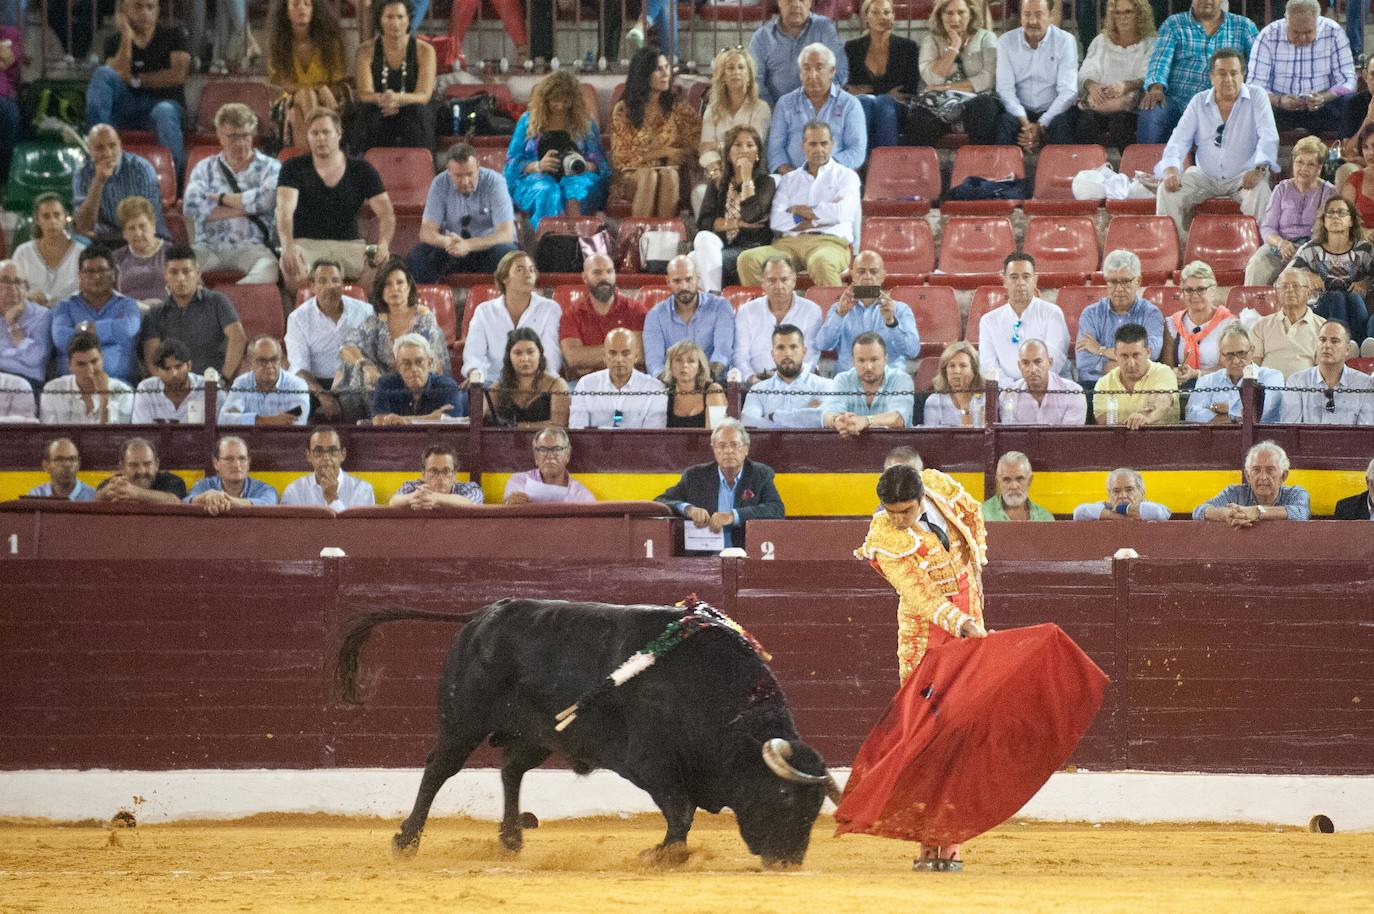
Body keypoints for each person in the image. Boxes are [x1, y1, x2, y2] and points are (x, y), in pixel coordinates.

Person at [837, 462, 988, 871]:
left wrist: (972, 597)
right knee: (923, 738)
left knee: (959, 735)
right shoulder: (883, 536)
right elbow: (920, 596)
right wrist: (964, 623)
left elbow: (972, 527)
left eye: (905, 511)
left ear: (921, 498)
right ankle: (926, 837)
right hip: (927, 639)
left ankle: (951, 837)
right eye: (891, 511)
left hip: (968, 623)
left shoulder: (940, 488)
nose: (898, 520)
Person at [1156, 48, 1278, 242]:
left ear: (1243, 75)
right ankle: (1177, 250)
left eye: (1234, 73)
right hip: (1204, 176)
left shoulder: (1257, 96)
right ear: (1212, 77)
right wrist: (1170, 169)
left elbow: (1269, 137)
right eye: (1221, 73)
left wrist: (1260, 168)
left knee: (1261, 191)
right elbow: (1178, 140)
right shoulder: (1198, 101)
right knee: (1166, 191)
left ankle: (1258, 251)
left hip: (1244, 175)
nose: (1228, 79)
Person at [276, 108, 394, 289]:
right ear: (307, 136)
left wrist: (383, 243)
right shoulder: (293, 167)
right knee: (288, 262)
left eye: (326, 132)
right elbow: (284, 211)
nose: (320, 138)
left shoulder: (362, 169)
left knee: (382, 263)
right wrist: (287, 244)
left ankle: (357, 311)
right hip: (307, 245)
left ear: (338, 134)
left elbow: (386, 213)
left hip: (349, 245)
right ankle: (305, 312)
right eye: (314, 133)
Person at [737, 121, 860, 289]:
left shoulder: (846, 176)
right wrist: (822, 214)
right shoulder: (789, 179)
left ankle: (837, 313)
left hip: (830, 243)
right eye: (812, 144)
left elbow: (841, 213)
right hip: (789, 245)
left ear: (832, 144)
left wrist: (801, 212)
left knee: (821, 262)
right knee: (748, 259)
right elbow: (778, 221)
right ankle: (769, 310)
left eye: (824, 143)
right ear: (803, 146)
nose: (819, 149)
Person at [84, 0, 189, 177]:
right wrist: (126, 36)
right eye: (138, 6)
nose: (145, 13)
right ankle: (96, 152)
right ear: (124, 10)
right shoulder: (114, 40)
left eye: (150, 7)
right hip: (128, 107)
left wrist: (136, 80)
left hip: (165, 103)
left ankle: (176, 184)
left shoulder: (174, 34)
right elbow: (117, 73)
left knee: (164, 111)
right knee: (102, 73)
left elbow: (177, 75)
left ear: (157, 10)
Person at [337, 258, 449, 421]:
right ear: (381, 290)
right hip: (384, 385)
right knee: (353, 372)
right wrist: (365, 365)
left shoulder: (424, 318)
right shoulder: (376, 320)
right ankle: (371, 427)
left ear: (409, 287)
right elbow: (347, 347)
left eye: (399, 283)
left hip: (418, 382)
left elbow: (436, 364)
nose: (394, 289)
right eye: (388, 284)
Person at [183, 102, 282, 286]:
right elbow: (192, 207)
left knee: (269, 267)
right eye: (232, 137)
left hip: (252, 246)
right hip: (208, 246)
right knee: (179, 271)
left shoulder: (270, 167)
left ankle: (231, 299)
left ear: (252, 134)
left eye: (245, 135)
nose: (240, 143)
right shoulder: (205, 167)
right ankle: (206, 305)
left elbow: (268, 200)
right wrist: (250, 208)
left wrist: (219, 200)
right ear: (220, 136)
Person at [1137, 0, 1257, 145]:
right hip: (1178, 102)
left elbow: (1258, 67)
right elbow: (1160, 60)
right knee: (1152, 109)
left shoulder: (1244, 27)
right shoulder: (1174, 24)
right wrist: (1156, 88)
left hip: (1226, 103)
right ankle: (1144, 165)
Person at [654, 418, 784, 550]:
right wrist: (688, 509)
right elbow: (661, 501)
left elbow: (776, 509)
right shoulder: (695, 476)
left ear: (746, 448)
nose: (728, 451)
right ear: (714, 449)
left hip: (744, 555)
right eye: (722, 445)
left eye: (734, 444)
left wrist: (734, 516)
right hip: (703, 559)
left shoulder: (760, 474)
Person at [504, 70, 609, 231]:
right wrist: (538, 165)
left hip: (578, 176)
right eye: (555, 101)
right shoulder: (528, 120)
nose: (560, 106)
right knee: (547, 191)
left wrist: (584, 165)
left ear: (573, 101)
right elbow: (512, 161)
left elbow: (600, 162)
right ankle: (549, 245)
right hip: (536, 177)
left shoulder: (586, 122)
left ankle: (575, 244)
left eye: (565, 101)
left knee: (574, 190)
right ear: (545, 99)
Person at [609, 49, 701, 218]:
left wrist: (680, 154)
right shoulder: (624, 109)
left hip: (669, 171)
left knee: (669, 175)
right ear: (643, 73)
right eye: (659, 69)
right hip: (633, 176)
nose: (666, 73)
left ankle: (664, 240)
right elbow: (622, 157)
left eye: (667, 67)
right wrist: (664, 151)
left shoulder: (677, 106)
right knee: (649, 177)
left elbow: (696, 140)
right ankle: (638, 239)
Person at [408, 143, 520, 283]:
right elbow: (426, 232)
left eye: (470, 174)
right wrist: (447, 241)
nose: (465, 181)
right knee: (418, 255)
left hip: (486, 247)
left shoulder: (495, 182)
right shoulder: (439, 183)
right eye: (458, 176)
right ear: (449, 171)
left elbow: (506, 234)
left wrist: (468, 245)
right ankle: (426, 300)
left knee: (506, 253)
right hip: (452, 248)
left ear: (478, 166)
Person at [1248, 0, 1355, 137]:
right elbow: (1255, 86)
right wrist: (1279, 100)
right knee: (1253, 106)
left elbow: (1348, 81)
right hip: (1280, 109)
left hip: (1322, 106)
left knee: (1350, 102)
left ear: (1317, 21)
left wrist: (1324, 97)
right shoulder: (1268, 35)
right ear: (1287, 20)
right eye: (1296, 32)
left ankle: (1345, 154)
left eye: (1308, 32)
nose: (1302, 37)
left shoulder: (1333, 32)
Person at [138, 245, 247, 379]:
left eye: (186, 271)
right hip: (173, 388)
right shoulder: (155, 314)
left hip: (213, 385)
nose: (181, 278)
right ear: (165, 275)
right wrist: (169, 387)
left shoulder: (217, 301)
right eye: (174, 272)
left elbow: (237, 338)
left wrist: (223, 380)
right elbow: (152, 358)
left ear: (198, 272)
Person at [692, 125, 776, 292]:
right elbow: (705, 222)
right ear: (728, 154)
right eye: (737, 145)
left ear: (758, 153)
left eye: (750, 145)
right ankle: (714, 294)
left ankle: (711, 295)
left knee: (693, 261)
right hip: (719, 245)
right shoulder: (719, 184)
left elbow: (750, 215)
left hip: (751, 247)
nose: (744, 150)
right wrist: (737, 223)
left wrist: (746, 179)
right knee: (702, 239)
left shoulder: (766, 182)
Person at [285, 259, 371, 421]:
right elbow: (299, 367)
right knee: (294, 399)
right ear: (312, 285)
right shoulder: (298, 318)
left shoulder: (364, 311)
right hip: (314, 381)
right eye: (322, 281)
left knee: (360, 397)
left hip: (353, 381)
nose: (330, 286)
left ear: (342, 284)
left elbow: (373, 355)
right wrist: (322, 395)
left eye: (335, 280)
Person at [1243, 136, 1334, 287]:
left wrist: (1302, 251)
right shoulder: (1282, 188)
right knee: (1255, 265)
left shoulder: (1328, 192)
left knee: (1290, 280)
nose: (1303, 169)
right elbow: (1267, 227)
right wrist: (1281, 244)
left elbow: (1328, 232)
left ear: (1319, 168)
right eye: (1299, 162)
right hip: (1279, 246)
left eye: (1310, 164)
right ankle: (1251, 309)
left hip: (1312, 252)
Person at [910, 0, 1000, 146]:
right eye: (949, 13)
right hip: (941, 102)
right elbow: (931, 79)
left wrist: (947, 87)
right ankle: (921, 166)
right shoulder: (931, 40)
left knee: (984, 106)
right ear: (940, 16)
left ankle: (980, 165)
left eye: (961, 12)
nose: (955, 19)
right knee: (921, 112)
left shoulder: (986, 37)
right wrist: (954, 47)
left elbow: (988, 78)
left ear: (971, 14)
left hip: (979, 98)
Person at [462, 251, 562, 382]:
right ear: (504, 278)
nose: (528, 275)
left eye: (531, 270)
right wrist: (476, 376)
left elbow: (551, 355)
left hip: (536, 382)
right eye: (520, 270)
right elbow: (473, 355)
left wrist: (538, 382)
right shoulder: (484, 311)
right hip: (493, 381)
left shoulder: (549, 308)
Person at [814, 251, 920, 374]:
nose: (867, 276)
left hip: (889, 380)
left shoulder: (900, 309)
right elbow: (822, 345)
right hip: (849, 380)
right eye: (861, 271)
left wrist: (892, 323)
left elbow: (912, 351)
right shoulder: (838, 309)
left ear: (883, 276)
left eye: (874, 272)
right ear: (853, 275)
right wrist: (840, 315)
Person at [696, 48, 772, 217]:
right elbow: (704, 150)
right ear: (722, 76)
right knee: (700, 193)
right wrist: (716, 172)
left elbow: (751, 149)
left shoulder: (761, 108)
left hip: (750, 174)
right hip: (718, 172)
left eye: (741, 67)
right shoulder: (712, 109)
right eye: (730, 68)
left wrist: (718, 145)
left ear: (749, 75)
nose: (735, 72)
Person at [353, 0, 438, 152]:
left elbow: (424, 95)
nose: (395, 23)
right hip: (380, 106)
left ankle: (421, 168)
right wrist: (383, 99)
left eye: (400, 17)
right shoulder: (365, 51)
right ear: (380, 19)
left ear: (409, 19)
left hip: (413, 107)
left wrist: (395, 98)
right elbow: (365, 94)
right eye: (389, 17)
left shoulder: (425, 50)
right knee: (367, 113)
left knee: (420, 113)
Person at [994, 0, 1079, 150]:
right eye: (1026, 15)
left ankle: (1062, 173)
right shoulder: (1006, 42)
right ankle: (1001, 173)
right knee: (1004, 123)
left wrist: (1041, 125)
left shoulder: (1065, 41)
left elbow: (1068, 91)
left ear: (1050, 15)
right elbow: (1005, 89)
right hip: (1021, 111)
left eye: (1039, 15)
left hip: (1053, 109)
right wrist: (1026, 124)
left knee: (1062, 124)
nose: (1032, 21)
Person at [1289, 196, 1374, 346]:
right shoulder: (1310, 249)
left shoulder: (1365, 249)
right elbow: (1285, 278)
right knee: (1336, 297)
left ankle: (1357, 347)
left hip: (1357, 307)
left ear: (1351, 220)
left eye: (1341, 212)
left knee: (1353, 297)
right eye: (1330, 213)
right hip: (1320, 309)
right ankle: (1340, 344)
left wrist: (1367, 282)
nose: (1335, 216)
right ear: (1324, 221)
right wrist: (1306, 275)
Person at [51, 245, 142, 383]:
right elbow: (61, 339)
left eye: (102, 270)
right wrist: (110, 332)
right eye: (89, 271)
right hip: (71, 387)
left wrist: (83, 330)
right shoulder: (65, 306)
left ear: (113, 273)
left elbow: (127, 329)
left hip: (118, 385)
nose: (96, 276)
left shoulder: (127, 305)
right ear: (80, 275)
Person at [770, 43, 867, 173]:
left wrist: (823, 170)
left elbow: (857, 151)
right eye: (806, 68)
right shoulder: (785, 103)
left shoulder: (850, 104)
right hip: (793, 177)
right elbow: (775, 149)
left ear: (832, 72)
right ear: (800, 73)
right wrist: (793, 175)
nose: (812, 74)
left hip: (836, 176)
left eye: (819, 68)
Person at [1076, 250, 1165, 391]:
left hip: (1138, 387)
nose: (1119, 289)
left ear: (1138, 281)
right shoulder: (1090, 314)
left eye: (1125, 281)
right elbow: (1084, 361)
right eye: (1112, 281)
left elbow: (1151, 354)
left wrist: (1100, 350)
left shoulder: (1151, 313)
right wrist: (1131, 362)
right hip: (1095, 385)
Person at [1076, 0, 1156, 149]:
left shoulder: (1150, 43)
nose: (1122, 17)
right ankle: (1091, 169)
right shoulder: (1101, 41)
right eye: (1117, 13)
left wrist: (1125, 87)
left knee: (1121, 122)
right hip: (1100, 99)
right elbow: (1087, 71)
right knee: (1085, 121)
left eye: (1128, 12)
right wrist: (1092, 86)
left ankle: (1127, 169)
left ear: (1139, 14)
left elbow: (1148, 76)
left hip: (1130, 104)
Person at [267, 0, 348, 147]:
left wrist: (320, 91)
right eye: (296, 4)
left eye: (307, 4)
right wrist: (316, 88)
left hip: (325, 101)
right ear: (286, 11)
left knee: (296, 115)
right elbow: (281, 84)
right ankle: (321, 149)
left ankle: (307, 159)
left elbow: (337, 82)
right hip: (287, 102)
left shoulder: (330, 42)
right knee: (306, 95)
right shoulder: (277, 43)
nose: (302, 8)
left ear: (314, 9)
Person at [978, 253, 1070, 383]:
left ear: (1035, 279)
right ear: (1004, 280)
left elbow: (1055, 360)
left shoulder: (1052, 313)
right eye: (1014, 277)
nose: (1020, 282)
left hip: (1047, 388)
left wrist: (1027, 388)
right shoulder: (989, 321)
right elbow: (989, 366)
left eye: (1026, 277)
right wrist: (1012, 389)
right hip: (1005, 392)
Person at [72, 125, 168, 245]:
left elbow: (145, 220)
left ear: (120, 144)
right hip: (103, 241)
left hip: (144, 235)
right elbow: (84, 226)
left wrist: (103, 234)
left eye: (112, 146)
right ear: (90, 150)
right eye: (100, 148)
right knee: (79, 242)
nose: (107, 153)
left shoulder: (141, 169)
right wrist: (98, 181)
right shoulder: (82, 174)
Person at [843, 0, 919, 151]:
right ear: (866, 17)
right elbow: (850, 86)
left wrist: (869, 89)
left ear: (893, 17)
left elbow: (910, 86)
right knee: (864, 102)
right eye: (875, 12)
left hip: (898, 109)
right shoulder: (852, 48)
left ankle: (886, 165)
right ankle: (860, 164)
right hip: (865, 104)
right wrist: (883, 91)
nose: (881, 17)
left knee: (883, 103)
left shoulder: (908, 47)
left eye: (886, 12)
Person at [559, 254, 648, 381]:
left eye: (609, 272)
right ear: (585, 277)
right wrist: (624, 353)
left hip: (630, 383)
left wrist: (588, 359)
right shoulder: (572, 314)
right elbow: (573, 358)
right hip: (588, 385)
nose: (604, 277)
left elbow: (639, 354)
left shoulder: (635, 309)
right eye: (597, 272)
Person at [643, 256, 735, 379]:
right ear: (668, 281)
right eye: (677, 281)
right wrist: (676, 386)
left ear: (697, 278)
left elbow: (722, 353)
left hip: (713, 382)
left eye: (688, 279)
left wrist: (703, 382)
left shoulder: (720, 307)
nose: (684, 287)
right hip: (671, 386)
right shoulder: (655, 315)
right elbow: (654, 363)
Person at [733, 257, 822, 382]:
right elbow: (739, 355)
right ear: (763, 283)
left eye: (784, 279)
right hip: (754, 385)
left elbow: (811, 355)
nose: (778, 286)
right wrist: (751, 378)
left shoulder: (811, 311)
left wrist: (792, 381)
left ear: (794, 281)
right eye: (772, 280)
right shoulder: (747, 311)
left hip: (798, 384)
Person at [750, 0, 848, 107]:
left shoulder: (824, 28)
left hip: (819, 110)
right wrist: (774, 111)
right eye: (789, 0)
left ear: (810, 3)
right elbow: (756, 81)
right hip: (776, 112)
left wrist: (818, 104)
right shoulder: (762, 37)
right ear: (779, 2)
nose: (796, 4)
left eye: (802, 0)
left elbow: (839, 71)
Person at [568, 327, 669, 429]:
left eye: (626, 353)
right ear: (604, 356)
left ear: (636, 356)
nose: (619, 359)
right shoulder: (585, 385)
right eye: (612, 353)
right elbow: (578, 430)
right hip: (594, 445)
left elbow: (654, 436)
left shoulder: (655, 388)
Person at [1184, 322, 1285, 423]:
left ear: (1252, 350)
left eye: (1242, 354)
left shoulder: (1272, 377)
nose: (1236, 361)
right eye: (1229, 355)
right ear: (1221, 355)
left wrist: (1218, 408)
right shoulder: (1207, 381)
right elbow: (1191, 414)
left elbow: (1259, 412)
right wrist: (1230, 419)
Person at [1193, 439, 1310, 523]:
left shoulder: (1296, 493)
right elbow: (1199, 511)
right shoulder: (1234, 493)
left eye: (1270, 470)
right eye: (1256, 470)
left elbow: (1301, 513)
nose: (1263, 477)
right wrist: (1227, 514)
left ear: (1283, 476)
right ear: (1248, 476)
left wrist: (1257, 511)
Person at [741, 324, 835, 428]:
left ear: (804, 351)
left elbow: (823, 419)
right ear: (772, 354)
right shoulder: (757, 390)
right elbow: (748, 422)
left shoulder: (825, 386)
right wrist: (807, 416)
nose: (787, 353)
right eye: (780, 348)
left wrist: (771, 417)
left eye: (793, 347)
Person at [1281, 320, 1374, 424]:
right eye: (1322, 340)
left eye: (1334, 341)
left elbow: (1365, 434)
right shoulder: (1296, 382)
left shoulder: (1365, 384)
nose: (1327, 345)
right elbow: (1290, 431)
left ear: (1347, 349)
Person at [823, 332, 914, 436]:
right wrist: (838, 420)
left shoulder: (901, 379)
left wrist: (865, 421)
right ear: (853, 361)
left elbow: (899, 418)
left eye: (874, 360)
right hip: (851, 446)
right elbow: (827, 415)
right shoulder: (842, 379)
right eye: (861, 360)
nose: (868, 367)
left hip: (893, 447)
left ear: (885, 359)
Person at [1092, 322, 1181, 427]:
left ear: (1148, 352)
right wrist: (1134, 424)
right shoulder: (1104, 383)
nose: (1131, 363)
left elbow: (1163, 401)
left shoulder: (1163, 372)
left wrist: (1147, 418)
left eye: (1136, 355)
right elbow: (1104, 422)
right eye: (1124, 356)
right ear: (1115, 355)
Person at [1162, 260, 1234, 388]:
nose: (1194, 295)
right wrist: (1174, 373)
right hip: (1180, 390)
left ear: (1212, 290)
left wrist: (1196, 374)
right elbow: (1166, 367)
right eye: (1189, 290)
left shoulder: (1229, 324)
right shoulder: (1172, 323)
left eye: (1201, 289)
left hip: (1217, 388)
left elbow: (1230, 368)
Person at [483, 327, 570, 429]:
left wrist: (516, 426)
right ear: (509, 357)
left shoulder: (557, 385)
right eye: (518, 353)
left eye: (530, 352)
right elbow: (485, 423)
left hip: (547, 443)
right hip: (507, 443)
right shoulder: (497, 388)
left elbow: (559, 425)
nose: (525, 358)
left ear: (540, 354)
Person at [40, 332, 134, 423]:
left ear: (102, 358)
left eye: (94, 361)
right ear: (69, 364)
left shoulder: (123, 392)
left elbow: (117, 437)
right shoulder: (52, 390)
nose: (90, 370)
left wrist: (104, 398)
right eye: (81, 364)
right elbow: (50, 436)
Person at [371, 333, 465, 425]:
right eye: (406, 363)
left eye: (419, 362)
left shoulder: (447, 386)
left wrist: (403, 420)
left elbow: (451, 419)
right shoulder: (386, 384)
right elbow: (378, 421)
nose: (414, 369)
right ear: (397, 366)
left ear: (429, 363)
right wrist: (431, 418)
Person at [1252, 267, 1328, 379]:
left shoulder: (1323, 327)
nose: (1290, 290)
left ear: (1309, 293)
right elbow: (1254, 364)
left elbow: (1323, 371)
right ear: (1277, 293)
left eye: (1296, 286)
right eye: (1284, 286)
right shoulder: (1262, 325)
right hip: (1268, 390)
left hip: (1305, 390)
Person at [219, 336, 311, 425]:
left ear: (282, 361)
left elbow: (297, 423)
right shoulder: (241, 383)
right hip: (249, 440)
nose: (269, 365)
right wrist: (264, 420)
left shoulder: (297, 385)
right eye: (262, 361)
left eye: (274, 359)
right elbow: (224, 419)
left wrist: (248, 420)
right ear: (250, 363)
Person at [11, 194, 84, 306]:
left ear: (66, 216)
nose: (52, 221)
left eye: (57, 215)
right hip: (32, 315)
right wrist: (29, 295)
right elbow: (12, 288)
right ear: (37, 220)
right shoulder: (23, 253)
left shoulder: (81, 252)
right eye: (46, 216)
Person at [281, 426, 376, 509]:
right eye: (318, 451)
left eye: (332, 451)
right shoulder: (294, 491)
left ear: (343, 455)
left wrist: (332, 498)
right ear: (308, 455)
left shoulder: (362, 490)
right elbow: (290, 529)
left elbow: (357, 529)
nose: (326, 457)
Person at [1003, 338, 1089, 425]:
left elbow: (1068, 436)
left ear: (1050, 362)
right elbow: (1009, 435)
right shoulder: (1009, 394)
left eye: (1038, 362)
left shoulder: (1073, 393)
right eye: (1025, 363)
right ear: (1019, 366)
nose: (1032, 369)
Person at [187, 435, 279, 513]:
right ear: (216, 463)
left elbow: (268, 504)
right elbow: (185, 502)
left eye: (242, 459)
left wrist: (224, 500)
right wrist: (205, 497)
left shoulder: (264, 489)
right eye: (229, 459)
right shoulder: (205, 485)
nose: (236, 465)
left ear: (248, 463)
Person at [504, 426, 595, 505]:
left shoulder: (581, 496)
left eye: (557, 449)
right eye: (543, 449)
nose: (550, 456)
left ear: (567, 455)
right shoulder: (519, 482)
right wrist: (510, 505)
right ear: (536, 457)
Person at [0, 259, 51, 393]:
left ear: (26, 288)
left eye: (17, 281)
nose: (11, 287)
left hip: (27, 383)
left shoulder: (42, 315)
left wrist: (12, 325)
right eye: (4, 281)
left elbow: (35, 358)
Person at [132, 338, 205, 424]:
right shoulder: (146, 389)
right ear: (157, 370)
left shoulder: (208, 387)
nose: (174, 374)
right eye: (167, 369)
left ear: (189, 365)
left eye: (178, 367)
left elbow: (222, 431)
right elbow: (142, 432)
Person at [389, 443, 484, 508]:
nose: (440, 477)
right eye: (433, 471)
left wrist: (436, 498)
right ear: (423, 474)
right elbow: (393, 502)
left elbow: (472, 502)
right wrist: (413, 497)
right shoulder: (413, 487)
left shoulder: (469, 488)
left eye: (446, 471)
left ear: (454, 474)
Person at [661, 339, 727, 429]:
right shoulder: (663, 394)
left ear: (699, 367)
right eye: (679, 360)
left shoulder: (714, 390)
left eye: (691, 361)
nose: (684, 365)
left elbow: (716, 434)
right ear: (670, 366)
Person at [113, 196, 168, 305]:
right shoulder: (115, 258)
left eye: (142, 226)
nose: (138, 233)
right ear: (124, 233)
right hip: (129, 315)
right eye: (131, 228)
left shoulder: (174, 253)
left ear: (153, 226)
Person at [94, 437, 186, 503]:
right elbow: (97, 497)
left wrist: (135, 493)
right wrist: (108, 492)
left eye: (147, 464)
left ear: (156, 465)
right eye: (133, 465)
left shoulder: (173, 481)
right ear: (122, 468)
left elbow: (175, 500)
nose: (141, 471)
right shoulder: (115, 483)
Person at [923, 341, 986, 428]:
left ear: (974, 371)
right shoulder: (934, 401)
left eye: (963, 365)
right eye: (952, 366)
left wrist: (964, 402)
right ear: (945, 371)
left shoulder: (984, 400)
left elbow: (975, 438)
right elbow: (931, 439)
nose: (957, 371)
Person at [1072, 468, 1170, 520]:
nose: (1122, 495)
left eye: (1129, 490)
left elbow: (1158, 513)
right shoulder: (1106, 507)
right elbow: (1079, 512)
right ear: (1109, 495)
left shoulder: (1150, 506)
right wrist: (1117, 516)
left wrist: (1124, 509)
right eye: (1116, 491)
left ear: (1142, 492)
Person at [981, 451, 1054, 521]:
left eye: (1019, 479)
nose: (1014, 486)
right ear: (998, 482)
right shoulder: (980, 515)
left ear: (1030, 481)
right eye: (1007, 479)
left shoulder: (1044, 518)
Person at [27, 438, 96, 501]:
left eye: (72, 459)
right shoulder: (36, 496)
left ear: (79, 464)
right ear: (46, 466)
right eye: (59, 459)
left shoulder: (93, 498)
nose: (67, 465)